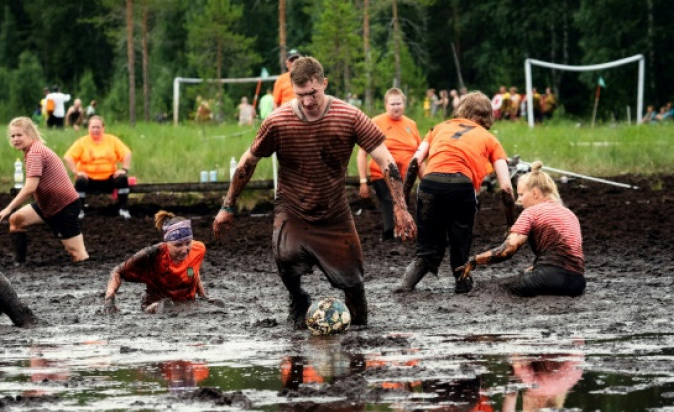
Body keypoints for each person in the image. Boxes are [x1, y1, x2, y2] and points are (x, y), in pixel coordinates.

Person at [213, 56, 416, 329]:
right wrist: (227, 206)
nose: (307, 101)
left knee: (353, 284)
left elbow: (386, 160)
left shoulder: (349, 116)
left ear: (324, 84)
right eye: (300, 95)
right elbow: (247, 162)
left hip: (334, 212)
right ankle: (298, 299)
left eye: (313, 93)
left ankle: (358, 325)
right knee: (285, 259)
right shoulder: (278, 121)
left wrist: (400, 207)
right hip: (293, 208)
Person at [396, 91, 514, 294]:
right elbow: (506, 187)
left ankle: (405, 285)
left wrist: (403, 200)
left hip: (430, 184)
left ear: (462, 109)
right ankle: (462, 283)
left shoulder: (439, 128)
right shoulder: (489, 138)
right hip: (461, 187)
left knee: (426, 247)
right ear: (487, 115)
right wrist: (511, 224)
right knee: (460, 240)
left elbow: (415, 162)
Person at [455, 161, 585, 297]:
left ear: (535, 193)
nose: (519, 201)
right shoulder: (570, 214)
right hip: (577, 283)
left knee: (493, 287)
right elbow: (567, 256)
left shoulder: (531, 212)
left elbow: (507, 250)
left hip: (549, 278)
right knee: (525, 274)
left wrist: (474, 260)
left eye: (521, 195)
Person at [0, 117, 89, 264]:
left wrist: (8, 208)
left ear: (30, 134)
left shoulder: (35, 153)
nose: (15, 139)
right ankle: (20, 264)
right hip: (48, 205)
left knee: (78, 255)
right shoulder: (32, 150)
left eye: (19, 135)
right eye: (12, 136)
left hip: (64, 206)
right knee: (16, 219)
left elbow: (30, 188)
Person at [103, 211, 221, 314]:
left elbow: (193, 270)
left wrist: (203, 296)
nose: (185, 250)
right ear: (166, 243)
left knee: (218, 305)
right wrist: (109, 302)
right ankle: (156, 307)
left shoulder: (198, 249)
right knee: (163, 306)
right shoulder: (153, 254)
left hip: (187, 304)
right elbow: (117, 271)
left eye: (188, 243)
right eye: (178, 245)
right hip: (156, 305)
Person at [356, 88, 422, 241]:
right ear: (386, 105)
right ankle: (389, 231)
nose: (396, 107)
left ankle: (403, 231)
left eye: (399, 104)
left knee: (403, 202)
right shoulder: (376, 122)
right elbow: (362, 153)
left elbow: (419, 154)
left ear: (404, 104)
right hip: (382, 173)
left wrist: (424, 180)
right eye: (392, 104)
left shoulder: (411, 124)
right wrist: (363, 181)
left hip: (406, 176)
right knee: (390, 199)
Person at [63, 115, 133, 219]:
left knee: (122, 179)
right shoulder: (82, 142)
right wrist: (76, 172)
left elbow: (127, 153)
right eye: (93, 127)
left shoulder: (112, 140)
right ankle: (79, 210)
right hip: (89, 179)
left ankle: (123, 209)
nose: (96, 130)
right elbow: (68, 157)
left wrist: (124, 169)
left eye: (98, 127)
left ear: (103, 128)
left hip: (108, 178)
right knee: (80, 181)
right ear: (88, 128)